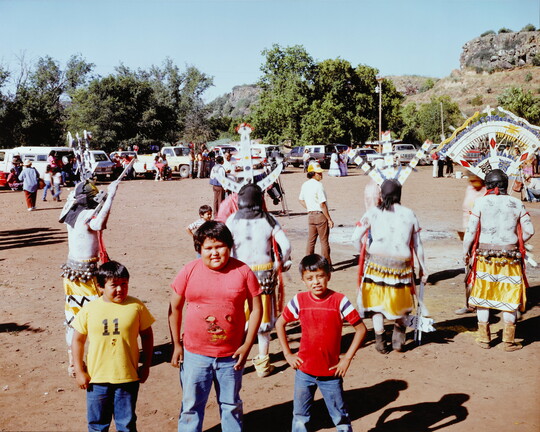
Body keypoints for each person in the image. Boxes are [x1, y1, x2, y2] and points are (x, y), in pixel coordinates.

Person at [169, 221, 262, 432]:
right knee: (191, 407)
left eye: (220, 246)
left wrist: (247, 344)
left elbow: (257, 309)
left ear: (229, 246)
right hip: (194, 355)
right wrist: (176, 344)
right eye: (208, 248)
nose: (215, 253)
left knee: (231, 405)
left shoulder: (243, 271)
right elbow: (174, 308)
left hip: (231, 356)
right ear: (199, 249)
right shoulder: (189, 271)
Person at [276, 254, 367, 432]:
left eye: (320, 276)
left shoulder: (340, 301)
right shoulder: (299, 300)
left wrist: (347, 359)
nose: (316, 282)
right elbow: (280, 323)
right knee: (300, 417)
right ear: (303, 280)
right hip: (304, 372)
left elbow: (361, 329)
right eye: (310, 278)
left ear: (328, 276)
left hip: (331, 374)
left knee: (340, 417)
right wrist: (287, 354)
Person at [72, 260, 154, 432]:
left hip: (128, 377)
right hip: (97, 379)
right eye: (114, 285)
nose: (120, 289)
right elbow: (78, 340)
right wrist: (80, 371)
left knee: (126, 424)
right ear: (100, 286)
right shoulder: (89, 309)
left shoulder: (136, 306)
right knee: (97, 424)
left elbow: (147, 335)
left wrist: (146, 366)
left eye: (124, 284)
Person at [352, 179, 428, 354]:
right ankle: (398, 338)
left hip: (376, 264)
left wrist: (367, 256)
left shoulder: (372, 213)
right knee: (401, 303)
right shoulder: (410, 214)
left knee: (376, 303)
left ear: (382, 195)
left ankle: (380, 339)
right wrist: (423, 267)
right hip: (401, 265)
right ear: (399, 195)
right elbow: (418, 245)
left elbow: (354, 238)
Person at [463, 169, 534, 351]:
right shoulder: (516, 203)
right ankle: (508, 341)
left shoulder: (480, 203)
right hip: (510, 257)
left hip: (484, 256)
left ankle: (484, 339)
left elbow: (471, 232)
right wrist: (516, 243)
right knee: (509, 297)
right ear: (505, 185)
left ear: (489, 185)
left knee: (483, 296)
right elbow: (529, 231)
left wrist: (467, 252)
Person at [226, 184, 292, 378]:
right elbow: (286, 245)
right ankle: (262, 364)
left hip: (240, 271)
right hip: (264, 274)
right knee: (263, 321)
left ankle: (234, 363)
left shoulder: (232, 220)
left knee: (239, 319)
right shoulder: (269, 220)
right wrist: (281, 262)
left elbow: (225, 245)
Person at [60, 179, 119, 376]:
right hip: (86, 276)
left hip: (73, 274)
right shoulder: (85, 214)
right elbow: (99, 222)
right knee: (96, 315)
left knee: (73, 318)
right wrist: (110, 196)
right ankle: (93, 359)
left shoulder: (70, 211)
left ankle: (73, 361)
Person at [455, 174, 486, 315]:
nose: (473, 183)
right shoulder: (469, 189)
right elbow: (465, 213)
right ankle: (470, 303)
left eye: (475, 180)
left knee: (483, 270)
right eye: (471, 180)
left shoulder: (487, 192)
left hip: (483, 236)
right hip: (468, 234)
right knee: (468, 269)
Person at [299, 162, 334, 266]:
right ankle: (326, 264)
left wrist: (310, 208)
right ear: (313, 173)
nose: (321, 175)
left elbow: (301, 200)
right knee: (324, 241)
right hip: (320, 215)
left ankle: (307, 264)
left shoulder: (305, 184)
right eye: (319, 173)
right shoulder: (319, 185)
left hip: (311, 216)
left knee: (311, 241)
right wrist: (329, 219)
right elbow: (322, 204)